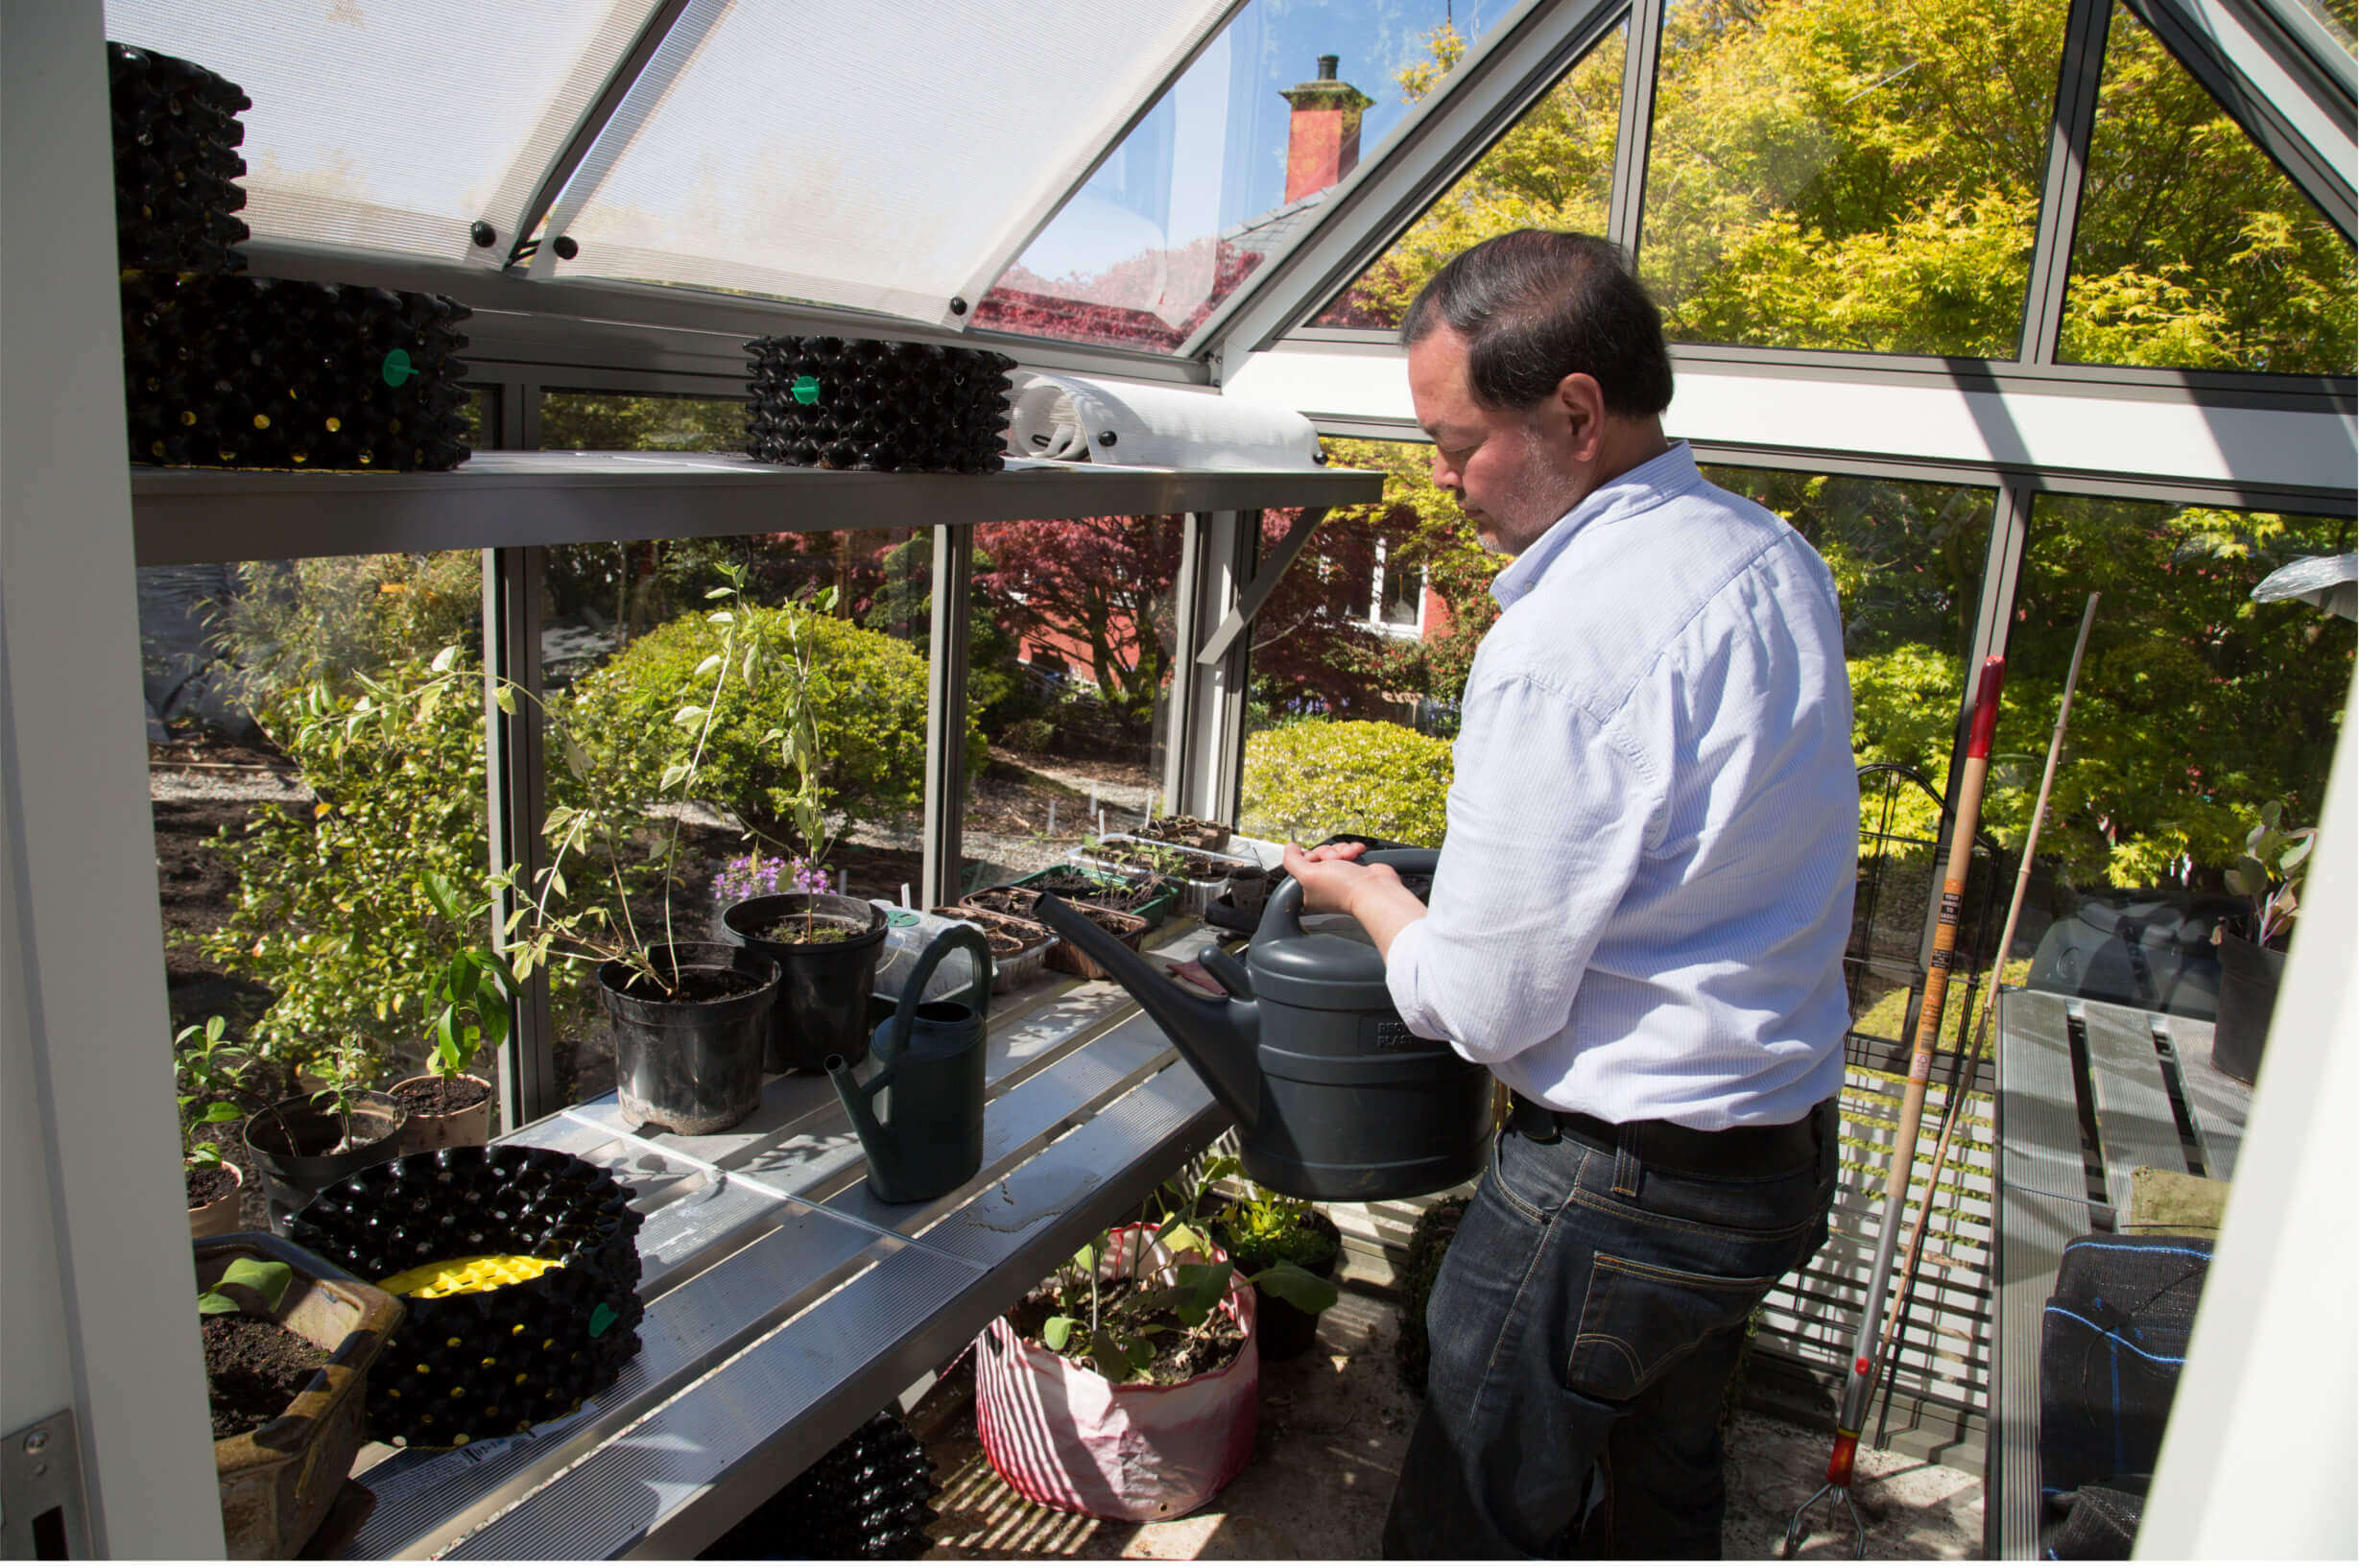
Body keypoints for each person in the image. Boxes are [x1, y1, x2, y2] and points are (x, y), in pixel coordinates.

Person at [1280, 229, 1858, 1558]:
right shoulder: (1771, 557)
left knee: (1470, 1514)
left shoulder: (1564, 641)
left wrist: (1371, 902)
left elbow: (1483, 1004)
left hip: (1620, 1188)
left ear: (1578, 414)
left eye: (1458, 439)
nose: (1441, 477)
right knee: (1666, 1477)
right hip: (1772, 1156)